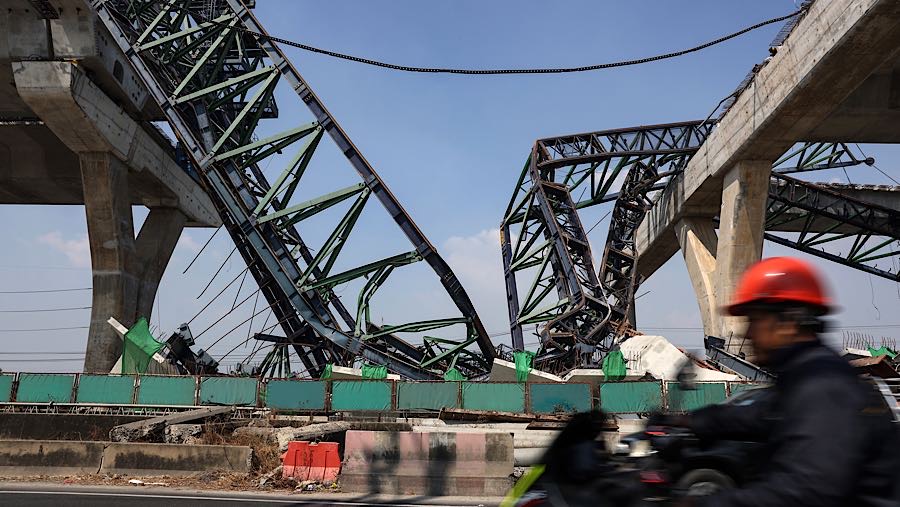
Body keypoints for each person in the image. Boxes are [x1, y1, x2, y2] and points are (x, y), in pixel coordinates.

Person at [675, 257, 900, 507]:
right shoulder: (802, 377)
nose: (747, 333)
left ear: (787, 322)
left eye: (754, 320)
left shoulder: (823, 384)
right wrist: (690, 420)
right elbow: (756, 416)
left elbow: (804, 492)